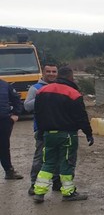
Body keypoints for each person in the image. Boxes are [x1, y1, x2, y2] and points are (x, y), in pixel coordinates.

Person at [32, 65, 94, 202]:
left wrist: (41, 132)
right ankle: (68, 193)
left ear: (58, 75)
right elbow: (81, 117)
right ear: (71, 77)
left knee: (47, 163)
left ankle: (39, 192)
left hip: (48, 134)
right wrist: (88, 133)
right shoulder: (73, 94)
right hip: (67, 135)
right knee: (67, 163)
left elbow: (38, 114)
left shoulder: (42, 91)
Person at [23, 62, 61, 195]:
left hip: (60, 128)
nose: (51, 74)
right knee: (40, 158)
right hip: (42, 129)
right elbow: (27, 106)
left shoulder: (60, 87)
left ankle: (57, 183)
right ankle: (34, 184)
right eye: (48, 71)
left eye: (54, 71)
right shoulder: (35, 88)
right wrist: (43, 97)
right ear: (43, 73)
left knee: (59, 157)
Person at [0, 77, 24, 179]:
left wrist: (16, 114)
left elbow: (16, 99)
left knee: (4, 146)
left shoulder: (5, 85)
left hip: (3, 121)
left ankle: (9, 172)